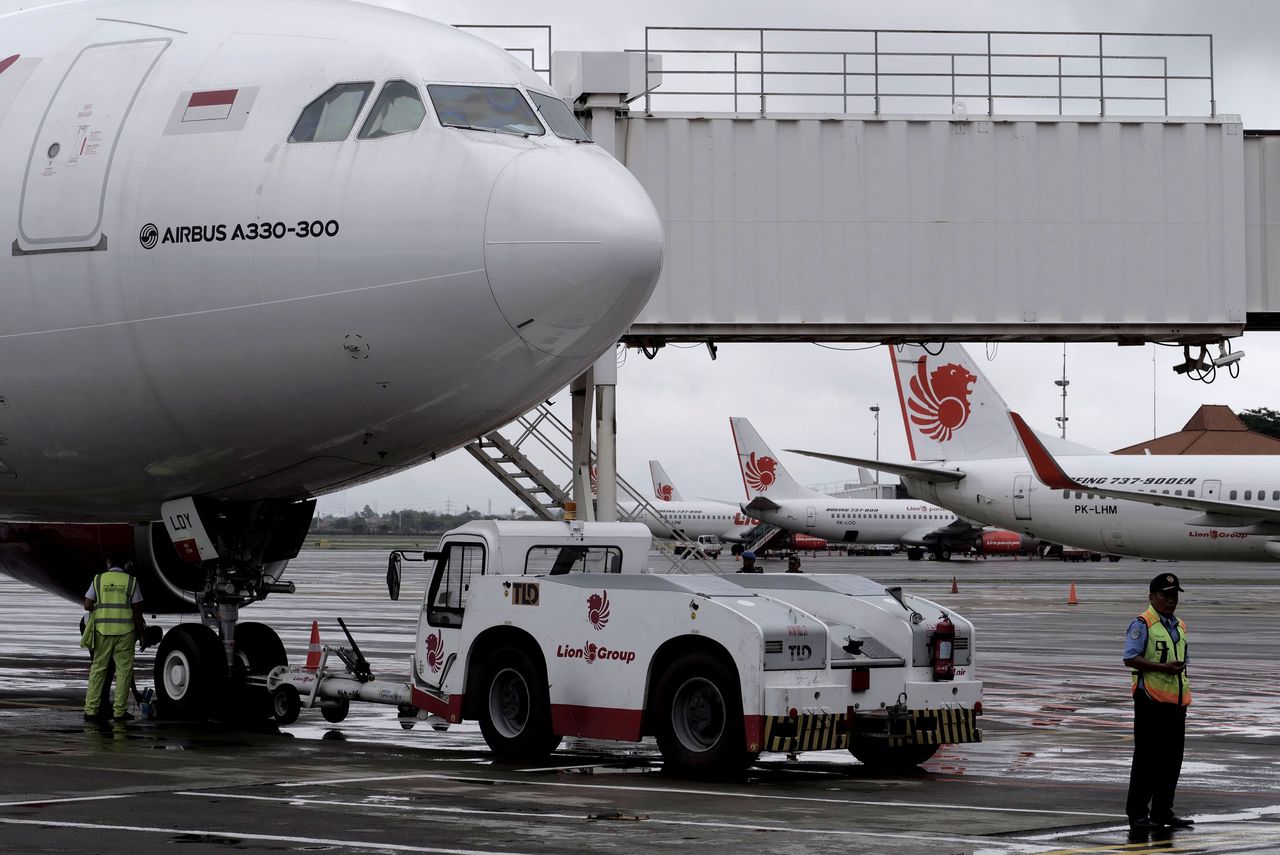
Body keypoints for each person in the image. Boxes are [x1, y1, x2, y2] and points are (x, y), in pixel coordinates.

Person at [1123, 572, 1193, 830]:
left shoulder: (1180, 626)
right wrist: (1163, 669)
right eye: (1165, 595)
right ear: (1152, 597)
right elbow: (1130, 658)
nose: (1171, 600)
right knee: (1146, 760)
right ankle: (1138, 815)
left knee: (1172, 760)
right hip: (1150, 701)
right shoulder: (1142, 624)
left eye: (1174, 595)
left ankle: (1162, 811)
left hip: (1176, 702)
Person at [83, 556, 146, 722]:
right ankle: (119, 712)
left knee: (98, 670)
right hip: (124, 633)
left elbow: (87, 604)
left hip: (102, 630)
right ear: (126, 564)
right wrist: (141, 634)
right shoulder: (131, 581)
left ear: (109, 563)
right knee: (124, 672)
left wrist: (102, 607)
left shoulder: (99, 579)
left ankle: (90, 710)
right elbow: (137, 610)